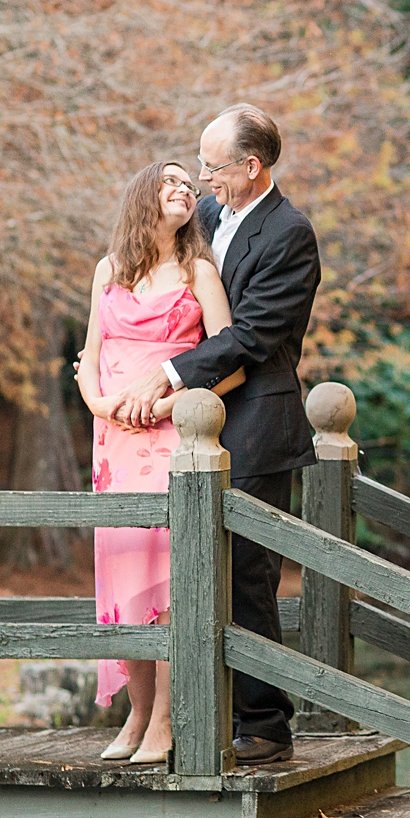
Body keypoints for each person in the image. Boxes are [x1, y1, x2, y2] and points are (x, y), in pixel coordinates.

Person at [110, 104, 322, 764]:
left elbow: (253, 336)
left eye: (213, 166)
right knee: (181, 572)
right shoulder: (204, 218)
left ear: (251, 167)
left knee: (245, 573)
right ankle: (191, 713)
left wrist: (168, 375)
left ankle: (262, 725)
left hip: (256, 420)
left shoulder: (289, 234)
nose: (203, 179)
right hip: (187, 428)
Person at [77, 160, 244, 764]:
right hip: (113, 442)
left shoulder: (200, 271)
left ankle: (166, 722)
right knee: (123, 579)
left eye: (189, 185)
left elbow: (233, 362)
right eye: (171, 181)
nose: (184, 190)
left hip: (172, 437)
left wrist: (172, 403)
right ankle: (136, 713)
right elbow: (92, 354)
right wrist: (101, 405)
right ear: (144, 195)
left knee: (169, 575)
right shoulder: (109, 271)